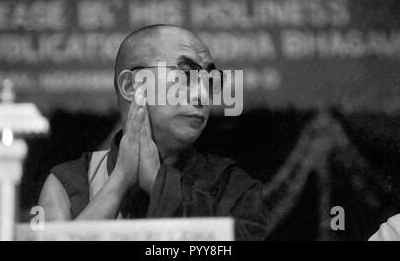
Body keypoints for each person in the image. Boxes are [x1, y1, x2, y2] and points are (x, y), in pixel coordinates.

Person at [38, 24, 268, 240]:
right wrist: (119, 180)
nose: (203, 96)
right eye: (184, 76)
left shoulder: (234, 187)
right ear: (131, 86)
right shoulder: (67, 182)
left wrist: (158, 183)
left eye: (209, 81)